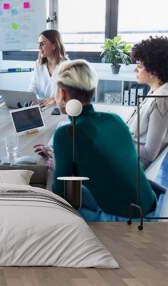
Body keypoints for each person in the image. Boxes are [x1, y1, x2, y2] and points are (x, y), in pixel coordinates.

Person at [34, 60, 156, 221]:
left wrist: (55, 164)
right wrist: (60, 156)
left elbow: (61, 195)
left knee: (42, 199)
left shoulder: (67, 133)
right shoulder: (115, 120)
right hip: (151, 207)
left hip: (125, 223)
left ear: (62, 94)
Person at [128, 36, 168, 168]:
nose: (135, 70)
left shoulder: (160, 100)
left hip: (133, 168)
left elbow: (150, 153)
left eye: (139, 66)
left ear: (154, 70)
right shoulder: (155, 92)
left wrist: (118, 141)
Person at [28, 29, 68, 107]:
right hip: (42, 106)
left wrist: (54, 100)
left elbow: (70, 94)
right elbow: (33, 85)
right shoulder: (38, 64)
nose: (39, 47)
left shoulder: (67, 66)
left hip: (59, 108)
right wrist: (30, 99)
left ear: (54, 45)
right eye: (39, 44)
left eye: (42, 44)